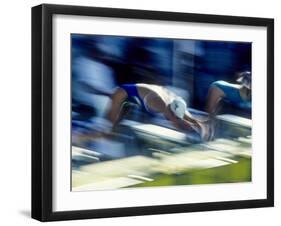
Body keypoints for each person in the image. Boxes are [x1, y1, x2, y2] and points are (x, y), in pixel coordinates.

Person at [106, 83, 212, 141]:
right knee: (108, 127)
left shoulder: (175, 100)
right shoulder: (160, 103)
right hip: (122, 93)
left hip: (138, 97)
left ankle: (112, 134)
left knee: (115, 129)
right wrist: (190, 134)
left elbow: (187, 118)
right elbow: (176, 122)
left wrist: (202, 126)